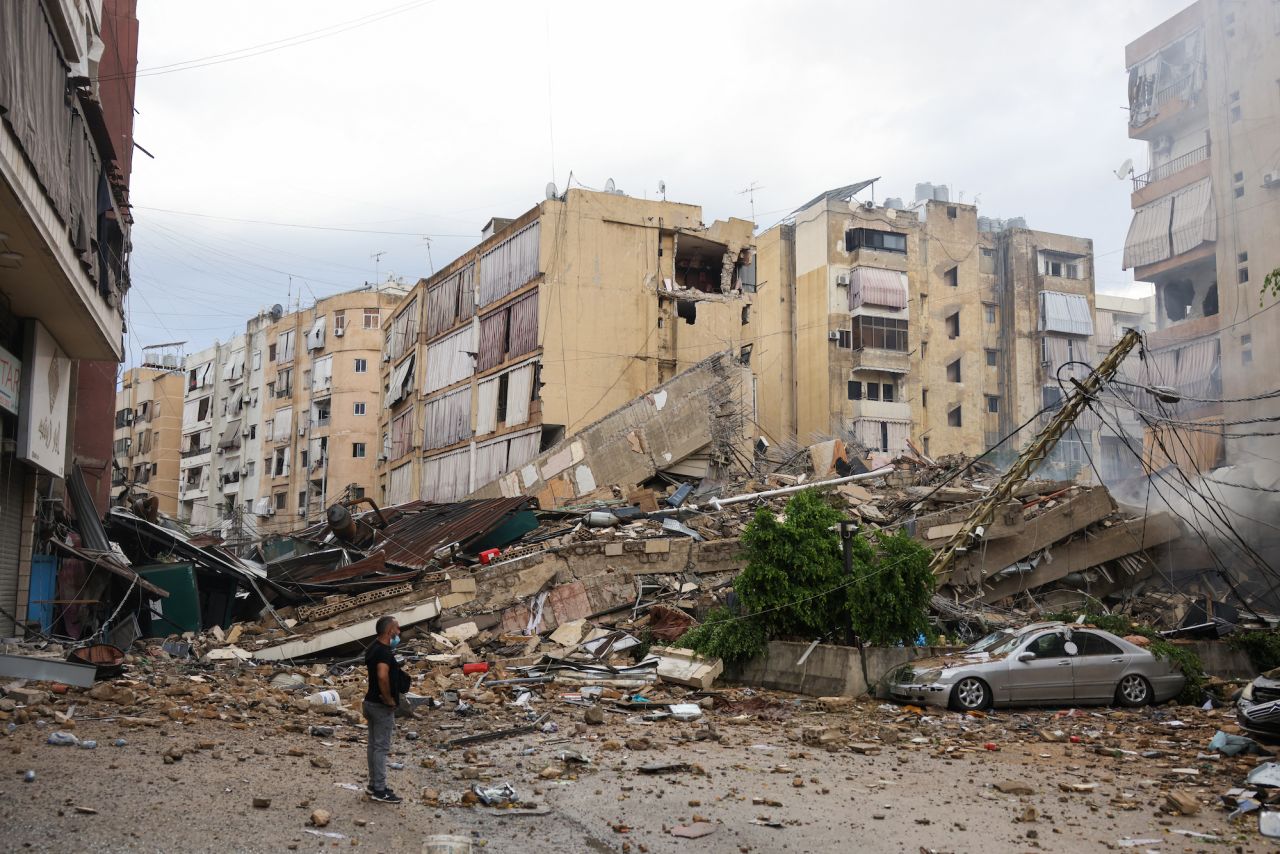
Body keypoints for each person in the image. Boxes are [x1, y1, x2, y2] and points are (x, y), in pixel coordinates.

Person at [363, 616, 406, 803]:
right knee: (381, 748)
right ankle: (380, 790)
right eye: (397, 628)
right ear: (390, 631)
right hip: (381, 706)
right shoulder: (384, 653)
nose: (399, 632)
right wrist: (388, 699)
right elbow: (382, 676)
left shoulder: (373, 647)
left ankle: (373, 785)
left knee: (373, 746)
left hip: (369, 702)